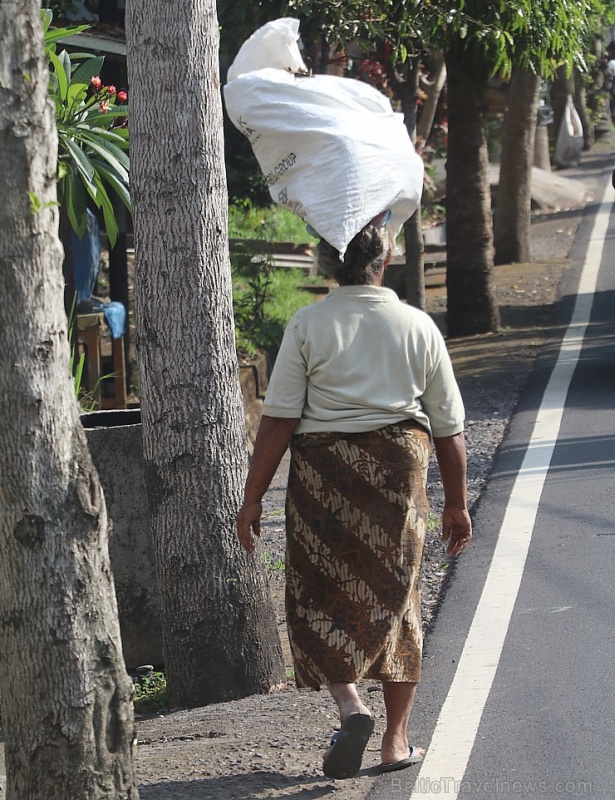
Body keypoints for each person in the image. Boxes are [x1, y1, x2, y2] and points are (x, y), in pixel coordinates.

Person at [236, 218, 472, 780]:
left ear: (325, 265)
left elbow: (277, 423)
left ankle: (350, 705)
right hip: (398, 472)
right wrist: (457, 504)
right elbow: (450, 431)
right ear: (383, 261)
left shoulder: (308, 324)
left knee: (314, 592)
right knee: (398, 600)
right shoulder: (417, 326)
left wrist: (252, 500)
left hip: (324, 476)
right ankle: (395, 742)